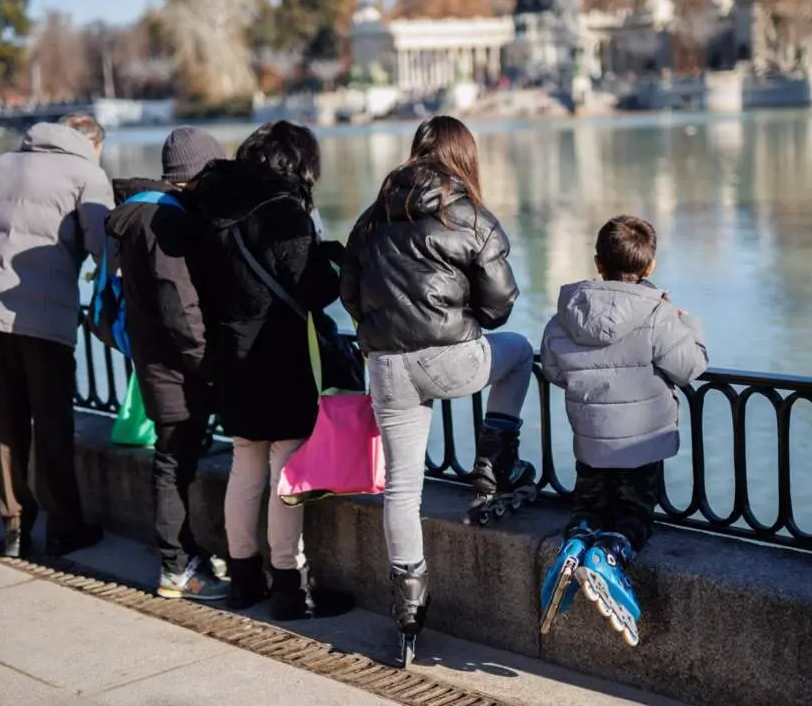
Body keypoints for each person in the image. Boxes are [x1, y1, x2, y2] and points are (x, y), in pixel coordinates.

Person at [339, 115, 536, 666]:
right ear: (463, 158)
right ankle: (494, 461)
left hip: (387, 366)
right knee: (519, 353)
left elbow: (349, 293)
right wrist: (458, 314)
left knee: (403, 487)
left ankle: (407, 609)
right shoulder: (468, 216)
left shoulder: (371, 218)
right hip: (451, 360)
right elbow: (500, 308)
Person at [181, 121, 354, 620]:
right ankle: (288, 585)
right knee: (287, 470)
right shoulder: (283, 213)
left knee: (245, 464)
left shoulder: (210, 210)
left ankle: (242, 577)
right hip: (278, 354)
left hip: (231, 355)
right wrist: (328, 257)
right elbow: (315, 288)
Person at [538, 215, 708, 647]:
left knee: (590, 505)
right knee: (632, 516)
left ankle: (576, 545)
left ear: (598, 263)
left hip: (590, 439)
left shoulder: (565, 314)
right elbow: (690, 367)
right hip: (642, 443)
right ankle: (608, 557)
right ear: (648, 268)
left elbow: (554, 369)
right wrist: (687, 322)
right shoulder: (658, 313)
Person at [0, 113, 114, 559]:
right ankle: (63, 527)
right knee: (51, 422)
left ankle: (13, 526)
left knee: (4, 421)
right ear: (94, 144)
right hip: (46, 321)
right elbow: (102, 249)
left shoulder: (0, 164)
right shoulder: (88, 173)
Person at [105, 126, 229, 600]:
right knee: (174, 461)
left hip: (154, 359)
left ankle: (182, 551)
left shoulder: (142, 214)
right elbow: (180, 304)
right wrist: (206, 362)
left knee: (174, 457)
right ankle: (176, 567)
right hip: (174, 367)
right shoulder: (166, 225)